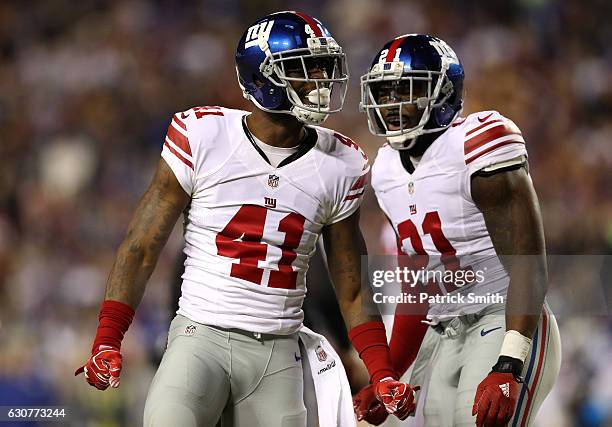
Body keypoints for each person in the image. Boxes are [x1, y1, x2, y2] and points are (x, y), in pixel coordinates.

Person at [75, 12, 417, 427]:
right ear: (263, 77)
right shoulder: (203, 134)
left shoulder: (341, 163)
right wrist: (108, 337)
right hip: (199, 337)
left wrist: (380, 371)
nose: (321, 80)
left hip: (278, 352)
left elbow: (352, 286)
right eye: (303, 69)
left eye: (323, 66)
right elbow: (141, 244)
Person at [352, 34, 561, 427]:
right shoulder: (384, 169)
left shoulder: (476, 143)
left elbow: (528, 263)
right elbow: (417, 287)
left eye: (406, 91)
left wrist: (510, 360)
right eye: (384, 92)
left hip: (503, 316)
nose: (392, 106)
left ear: (442, 93)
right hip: (443, 327)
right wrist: (389, 373)